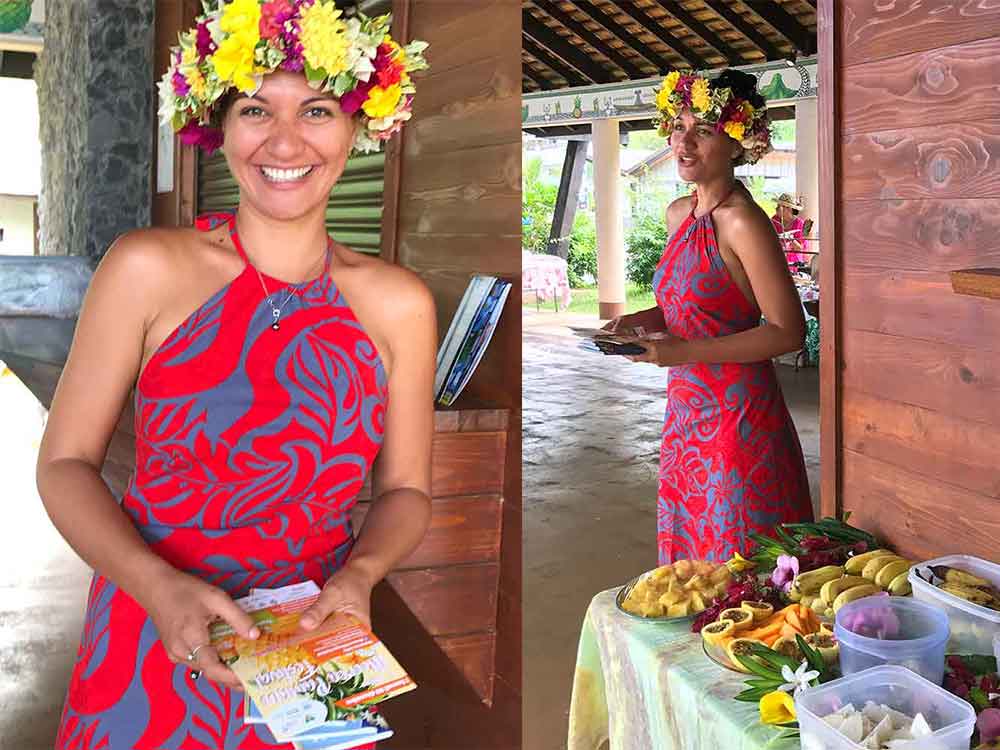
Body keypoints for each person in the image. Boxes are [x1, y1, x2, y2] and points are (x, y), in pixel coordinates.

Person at [36, 3, 432, 748]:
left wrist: (362, 575)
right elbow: (63, 465)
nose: (285, 140)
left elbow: (407, 490)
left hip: (313, 637)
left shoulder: (398, 305)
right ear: (218, 128)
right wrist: (158, 589)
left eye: (316, 109)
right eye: (256, 109)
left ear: (360, 126)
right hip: (154, 619)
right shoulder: (147, 268)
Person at [605, 69, 813, 564]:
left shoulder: (743, 221)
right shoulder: (680, 214)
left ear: (739, 145)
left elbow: (788, 330)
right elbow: (690, 303)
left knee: (737, 559)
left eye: (704, 130)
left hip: (738, 422)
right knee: (692, 562)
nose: (684, 142)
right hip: (685, 414)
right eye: (679, 126)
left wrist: (682, 351)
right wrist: (637, 319)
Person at [771, 193, 808, 267]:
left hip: (794, 262)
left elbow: (800, 248)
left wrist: (790, 239)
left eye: (779, 206)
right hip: (777, 259)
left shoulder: (801, 224)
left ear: (789, 209)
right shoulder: (774, 220)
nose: (776, 208)